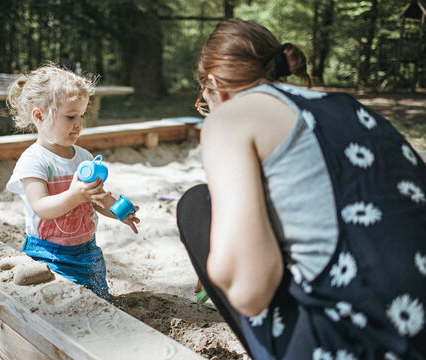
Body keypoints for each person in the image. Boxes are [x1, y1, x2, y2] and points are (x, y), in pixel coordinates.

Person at [177, 18, 425, 359]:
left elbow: (250, 292)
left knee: (194, 205)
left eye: (204, 102)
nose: (208, 110)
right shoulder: (345, 105)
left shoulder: (230, 116)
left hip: (357, 343)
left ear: (215, 85)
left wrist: (221, 259)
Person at [6, 64, 140, 302]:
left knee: (98, 300)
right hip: (47, 253)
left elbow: (97, 199)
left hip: (87, 249)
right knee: (56, 304)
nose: (79, 123)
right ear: (39, 116)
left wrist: (120, 211)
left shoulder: (84, 158)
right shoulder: (34, 161)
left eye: (81, 115)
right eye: (70, 116)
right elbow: (41, 207)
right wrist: (74, 195)